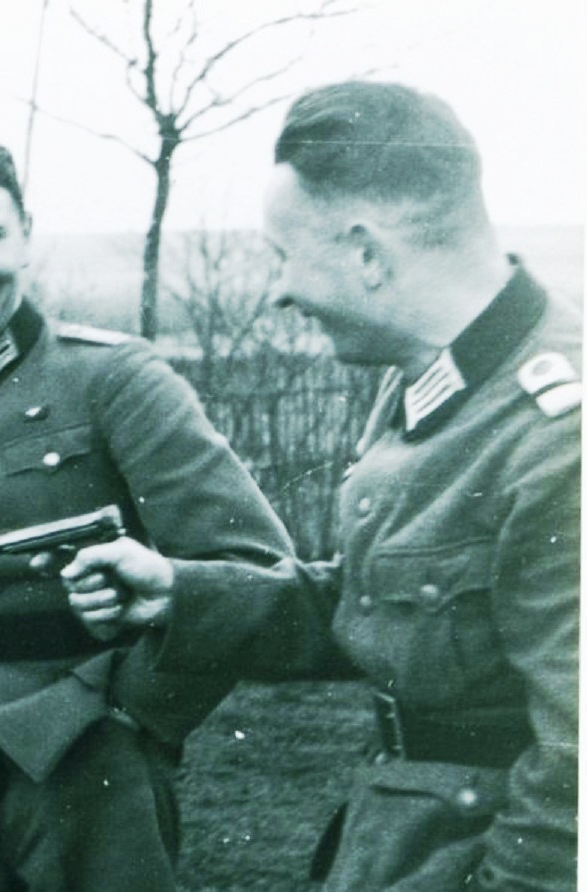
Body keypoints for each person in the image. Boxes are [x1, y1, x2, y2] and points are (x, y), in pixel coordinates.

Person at [62, 81, 580, 891]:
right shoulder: (435, 382)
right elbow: (388, 604)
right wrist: (179, 595)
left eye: (283, 255)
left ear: (367, 254)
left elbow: (573, 780)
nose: (279, 291)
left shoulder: (558, 437)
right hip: (400, 844)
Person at [0, 128, 293, 891]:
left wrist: (138, 723)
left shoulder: (116, 380)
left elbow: (250, 570)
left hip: (92, 774)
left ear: (25, 236)